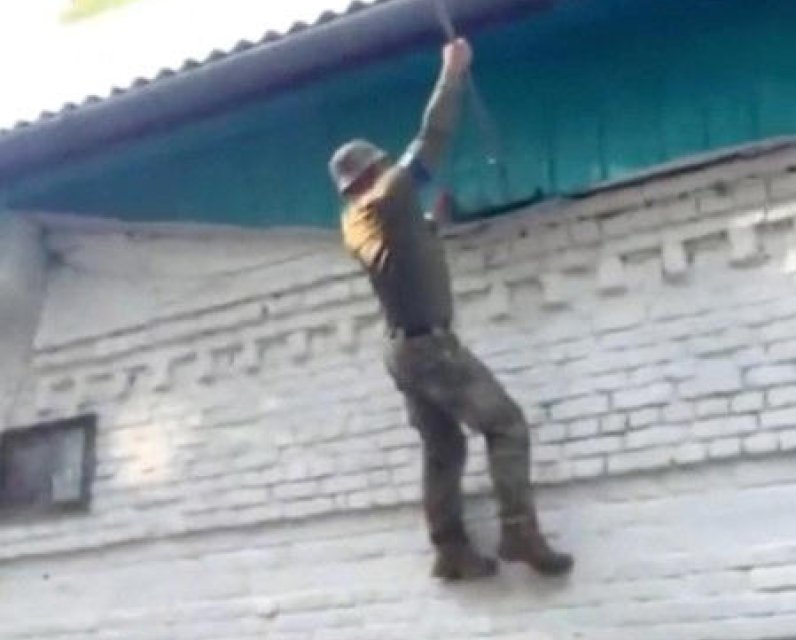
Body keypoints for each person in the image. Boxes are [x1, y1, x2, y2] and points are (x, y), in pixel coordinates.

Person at [328, 38, 574, 581]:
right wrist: (452, 73)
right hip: (430, 346)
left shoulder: (357, 220)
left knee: (443, 446)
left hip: (401, 349)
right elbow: (432, 139)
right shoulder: (387, 198)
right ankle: (518, 531)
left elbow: (403, 255)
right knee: (505, 424)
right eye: (385, 166)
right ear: (374, 172)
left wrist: (431, 225)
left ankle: (449, 548)